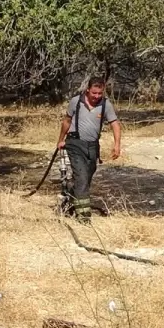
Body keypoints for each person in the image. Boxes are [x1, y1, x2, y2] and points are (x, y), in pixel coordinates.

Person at [56, 77, 122, 222]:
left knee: (86, 179)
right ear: (88, 90)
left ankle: (69, 197)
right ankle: (84, 217)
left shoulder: (106, 105)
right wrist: (61, 140)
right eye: (94, 93)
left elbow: (115, 124)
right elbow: (67, 121)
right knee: (82, 177)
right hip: (74, 143)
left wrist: (117, 145)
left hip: (93, 146)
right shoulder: (76, 101)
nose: (97, 96)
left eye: (100, 93)